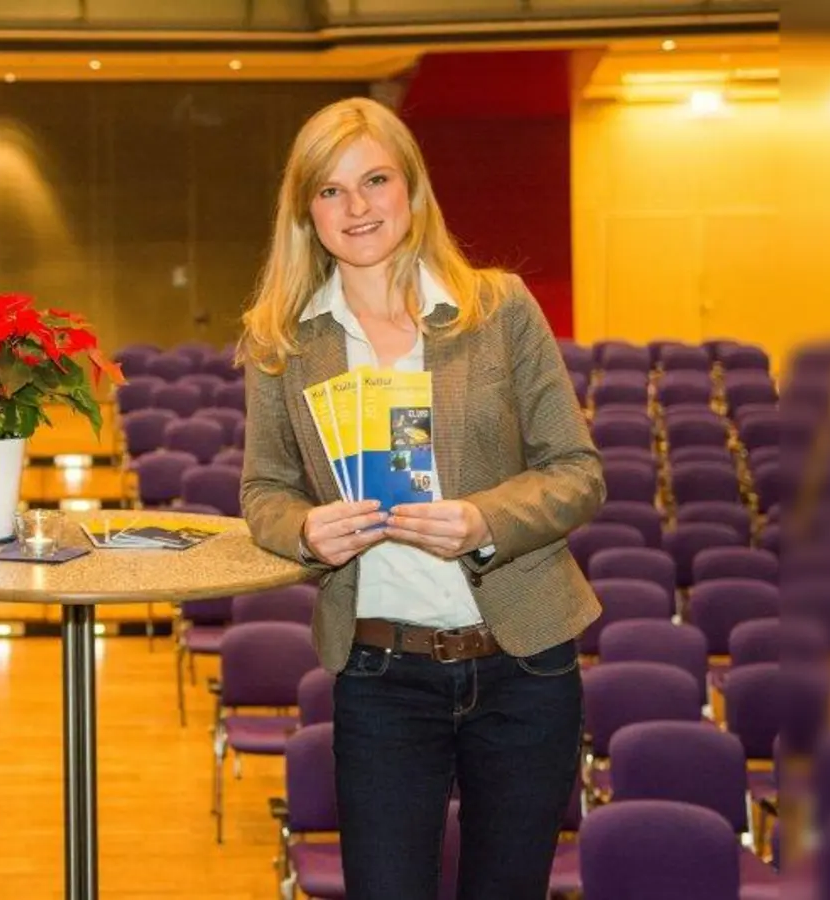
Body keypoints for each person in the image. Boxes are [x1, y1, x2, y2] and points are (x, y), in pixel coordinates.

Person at [237, 97, 604, 900]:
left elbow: (577, 469)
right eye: (331, 191)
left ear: (413, 189)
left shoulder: (499, 308)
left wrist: (484, 521)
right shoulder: (284, 341)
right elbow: (263, 489)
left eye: (375, 180)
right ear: (306, 211)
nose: (357, 207)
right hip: (381, 673)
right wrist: (302, 530)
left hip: (525, 664)